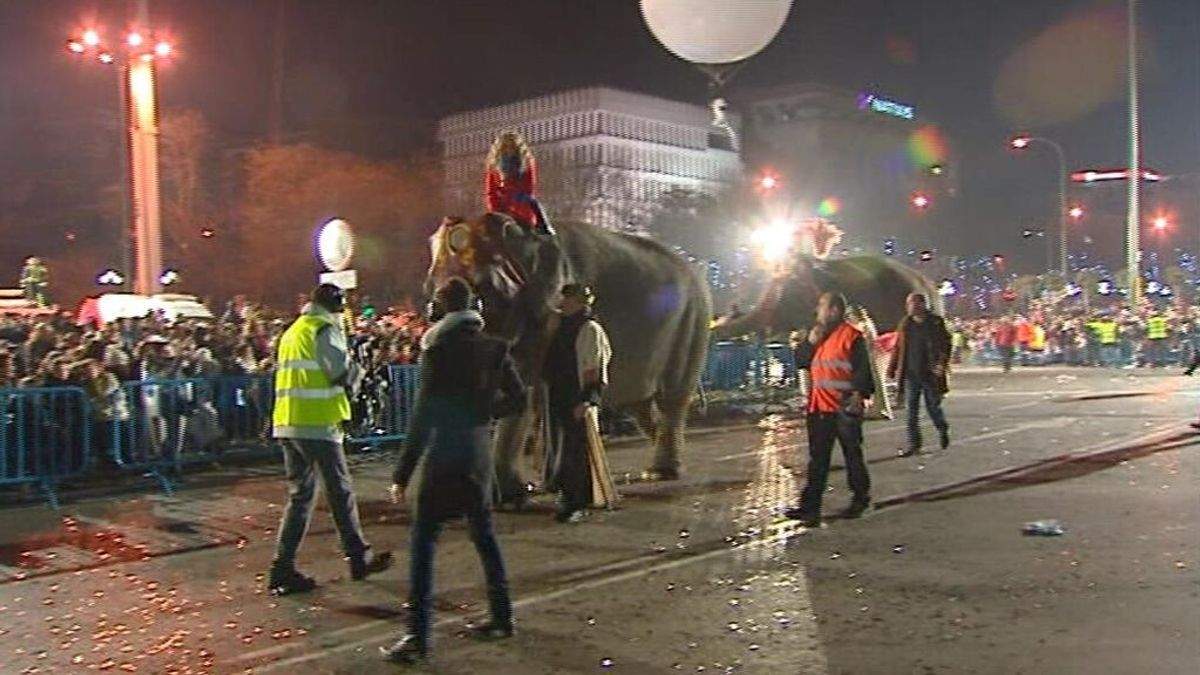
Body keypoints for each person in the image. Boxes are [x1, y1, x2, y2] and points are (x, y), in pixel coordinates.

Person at [381, 278, 525, 664]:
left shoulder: (437, 351)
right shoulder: (495, 348)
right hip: (478, 450)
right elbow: (519, 398)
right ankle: (501, 616)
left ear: (441, 310)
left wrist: (402, 472)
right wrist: (485, 414)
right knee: (484, 537)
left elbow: (423, 415)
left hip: (445, 452)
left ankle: (418, 636)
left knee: (425, 544)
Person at [266, 283, 391, 596]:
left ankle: (282, 568)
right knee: (340, 491)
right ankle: (358, 557)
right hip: (318, 424)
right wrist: (360, 372)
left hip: (288, 422)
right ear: (336, 307)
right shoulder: (324, 329)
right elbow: (338, 371)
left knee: (301, 496)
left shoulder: (293, 331)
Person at [786, 292, 874, 526]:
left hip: (843, 407)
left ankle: (860, 498)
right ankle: (810, 506)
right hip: (819, 406)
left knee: (852, 456)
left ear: (835, 310)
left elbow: (862, 370)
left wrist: (859, 395)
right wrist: (809, 343)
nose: (818, 310)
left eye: (822, 306)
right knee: (818, 459)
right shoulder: (818, 335)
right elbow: (801, 362)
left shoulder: (852, 336)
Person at [543, 283, 612, 523]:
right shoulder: (562, 326)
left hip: (576, 395)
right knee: (564, 447)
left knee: (576, 449)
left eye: (568, 299)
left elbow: (595, 366)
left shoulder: (589, 328)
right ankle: (566, 493)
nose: (563, 303)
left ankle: (577, 501)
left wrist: (587, 399)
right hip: (559, 394)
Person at [887, 293, 952, 457]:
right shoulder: (906, 324)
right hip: (911, 374)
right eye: (909, 304)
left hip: (930, 374)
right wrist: (892, 368)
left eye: (915, 304)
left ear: (923, 305)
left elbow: (946, 345)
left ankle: (942, 427)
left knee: (933, 408)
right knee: (911, 412)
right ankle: (914, 444)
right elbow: (898, 347)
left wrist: (941, 364)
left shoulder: (935, 322)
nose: (911, 307)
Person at [484, 131, 553, 234]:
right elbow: (491, 191)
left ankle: (544, 230)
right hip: (501, 205)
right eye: (505, 146)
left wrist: (516, 207)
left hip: (520, 201)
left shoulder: (527, 161)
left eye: (512, 145)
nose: (508, 148)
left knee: (535, 205)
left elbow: (529, 187)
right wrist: (496, 209)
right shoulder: (493, 165)